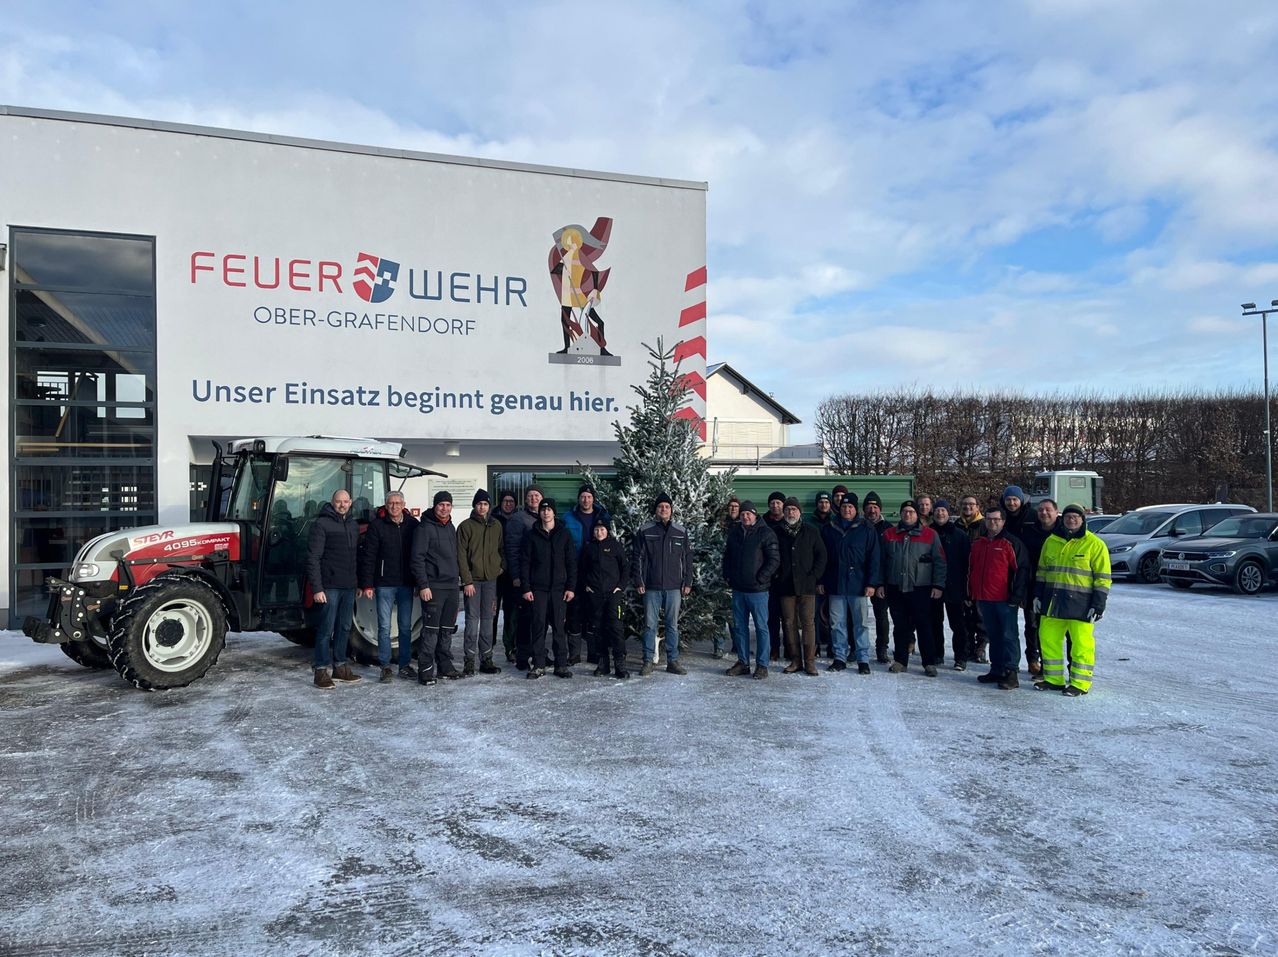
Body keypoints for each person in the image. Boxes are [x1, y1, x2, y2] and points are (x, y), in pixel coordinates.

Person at [1034, 504, 1111, 696]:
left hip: (1081, 604)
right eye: (1068, 517)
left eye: (1076, 517)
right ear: (1062, 518)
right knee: (1048, 640)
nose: (1072, 520)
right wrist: (1037, 595)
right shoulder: (1051, 541)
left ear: (1083, 520)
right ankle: (1053, 679)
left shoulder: (1095, 544)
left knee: (1082, 644)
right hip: (1052, 602)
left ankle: (1080, 683)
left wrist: (1098, 604)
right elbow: (1042, 571)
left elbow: (1103, 578)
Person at [878, 500, 947, 676]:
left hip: (921, 588)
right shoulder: (889, 534)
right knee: (900, 626)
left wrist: (938, 585)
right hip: (896, 587)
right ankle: (900, 660)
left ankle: (929, 662)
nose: (908, 514)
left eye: (911, 512)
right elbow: (880, 562)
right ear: (900, 514)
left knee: (925, 626)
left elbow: (940, 562)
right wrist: (879, 583)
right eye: (905, 511)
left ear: (917, 515)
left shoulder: (930, 535)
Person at [358, 490, 420, 683]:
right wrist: (367, 583)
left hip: (406, 584)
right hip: (384, 584)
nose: (394, 506)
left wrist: (418, 581)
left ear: (404, 504)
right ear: (386, 505)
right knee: (384, 627)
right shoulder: (377, 526)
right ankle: (385, 666)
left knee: (405, 627)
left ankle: (404, 665)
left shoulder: (413, 525)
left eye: (397, 503)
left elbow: (419, 555)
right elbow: (369, 556)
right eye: (390, 503)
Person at [967, 506, 1029, 689]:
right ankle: (997, 669)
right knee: (993, 635)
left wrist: (1016, 596)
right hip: (985, 598)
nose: (992, 522)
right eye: (989, 519)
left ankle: (1011, 672)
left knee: (1009, 635)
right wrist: (971, 592)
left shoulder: (1011, 543)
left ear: (1003, 521)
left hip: (1005, 600)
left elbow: (1022, 570)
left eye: (996, 519)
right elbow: (971, 570)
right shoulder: (979, 543)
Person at [307, 489, 362, 689]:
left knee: (344, 628)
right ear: (332, 502)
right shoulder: (322, 524)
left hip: (348, 586)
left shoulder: (352, 525)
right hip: (329, 587)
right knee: (325, 629)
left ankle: (340, 667)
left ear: (350, 503)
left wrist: (356, 583)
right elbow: (313, 558)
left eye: (346, 501)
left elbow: (354, 557)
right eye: (339, 501)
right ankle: (321, 670)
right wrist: (317, 588)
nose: (342, 505)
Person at [634, 492, 693, 676]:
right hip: (651, 586)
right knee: (650, 625)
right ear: (656, 510)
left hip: (674, 586)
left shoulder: (680, 532)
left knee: (672, 625)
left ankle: (672, 661)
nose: (664, 509)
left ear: (671, 510)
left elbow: (687, 559)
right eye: (660, 507)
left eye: (667, 507)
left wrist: (688, 581)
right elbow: (637, 557)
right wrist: (639, 580)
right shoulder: (645, 530)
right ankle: (647, 661)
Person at [820, 492, 880, 674]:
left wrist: (871, 583)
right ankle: (839, 657)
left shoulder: (866, 529)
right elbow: (822, 557)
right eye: (844, 506)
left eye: (851, 507)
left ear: (856, 509)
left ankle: (863, 659)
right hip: (836, 584)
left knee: (860, 623)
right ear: (840, 508)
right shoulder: (830, 528)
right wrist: (822, 580)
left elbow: (874, 558)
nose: (847, 509)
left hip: (858, 585)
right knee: (837, 623)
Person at [722, 500, 779, 679]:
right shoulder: (735, 533)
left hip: (758, 591)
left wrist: (760, 578)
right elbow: (727, 557)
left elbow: (774, 560)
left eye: (749, 513)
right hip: (738, 590)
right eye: (743, 514)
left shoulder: (766, 533)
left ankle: (762, 665)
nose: (745, 516)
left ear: (755, 515)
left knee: (762, 628)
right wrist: (728, 575)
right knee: (740, 628)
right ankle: (743, 662)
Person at [520, 499, 577, 678]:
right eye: (543, 510)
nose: (546, 513)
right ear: (540, 513)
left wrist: (571, 587)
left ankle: (561, 665)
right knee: (538, 626)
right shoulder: (531, 535)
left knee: (559, 628)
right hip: (538, 589)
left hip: (559, 590)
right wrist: (526, 587)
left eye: (549, 510)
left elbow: (571, 563)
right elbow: (525, 563)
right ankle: (538, 664)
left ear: (554, 513)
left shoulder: (564, 534)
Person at [411, 490, 463, 686]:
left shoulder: (450, 527)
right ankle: (425, 670)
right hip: (433, 587)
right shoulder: (424, 528)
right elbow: (417, 559)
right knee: (431, 631)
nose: (444, 508)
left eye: (448, 505)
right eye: (441, 505)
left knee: (447, 630)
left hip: (451, 586)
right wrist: (423, 585)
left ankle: (445, 666)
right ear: (435, 506)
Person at [773, 497, 827, 676]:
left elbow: (821, 556)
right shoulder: (777, 532)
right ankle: (795, 660)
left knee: (808, 623)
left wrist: (814, 577)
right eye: (788, 510)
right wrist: (777, 575)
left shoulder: (811, 531)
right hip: (785, 586)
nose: (790, 513)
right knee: (788, 623)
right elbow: (771, 556)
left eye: (794, 510)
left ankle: (809, 662)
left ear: (800, 512)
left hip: (807, 586)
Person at [457, 489, 504, 676]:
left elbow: (502, 548)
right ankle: (469, 660)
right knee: (471, 621)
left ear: (489, 506)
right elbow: (460, 555)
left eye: (485, 504)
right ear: (474, 505)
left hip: (491, 581)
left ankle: (487, 659)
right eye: (479, 504)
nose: (482, 507)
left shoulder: (496, 525)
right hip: (473, 582)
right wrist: (467, 580)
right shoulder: (465, 526)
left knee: (488, 620)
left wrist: (500, 567)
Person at [561, 484, 610, 664]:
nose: (586, 500)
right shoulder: (568, 517)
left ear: (593, 499)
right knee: (574, 612)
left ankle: (593, 653)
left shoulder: (603, 516)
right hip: (573, 571)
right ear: (578, 499)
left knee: (594, 614)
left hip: (596, 572)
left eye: (589, 497)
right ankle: (574, 654)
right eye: (583, 496)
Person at [580, 518, 630, 679]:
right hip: (595, 595)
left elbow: (625, 568)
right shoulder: (588, 548)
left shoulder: (615, 546)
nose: (599, 532)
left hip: (613, 594)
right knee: (598, 628)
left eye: (602, 529)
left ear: (607, 531)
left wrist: (620, 587)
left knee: (616, 627)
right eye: (596, 529)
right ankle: (603, 662)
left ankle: (619, 663)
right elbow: (581, 569)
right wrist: (586, 585)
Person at [1017, 498, 1061, 678]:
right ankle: (1033, 660)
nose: (1044, 513)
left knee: (1053, 629)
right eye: (1041, 510)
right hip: (1032, 585)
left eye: (1048, 510)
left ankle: (1050, 665)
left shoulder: (1063, 532)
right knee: (1032, 626)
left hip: (1057, 588)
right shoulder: (1029, 532)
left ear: (1056, 512)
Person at [1001, 484, 1040, 672]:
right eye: (1008, 500)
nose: (1011, 503)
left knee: (1032, 622)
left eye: (1014, 499)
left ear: (1021, 500)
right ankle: (1006, 660)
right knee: (1007, 621)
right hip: (1007, 576)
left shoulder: (1033, 517)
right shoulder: (1001, 518)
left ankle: (1033, 658)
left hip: (1030, 574)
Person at [504, 485, 543, 670]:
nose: (534, 498)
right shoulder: (518, 519)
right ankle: (522, 656)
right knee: (524, 619)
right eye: (530, 496)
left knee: (539, 619)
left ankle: (539, 654)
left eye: (537, 495)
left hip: (541, 579)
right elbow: (511, 549)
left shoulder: (546, 518)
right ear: (526, 500)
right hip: (524, 578)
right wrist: (516, 576)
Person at [929, 500, 971, 670]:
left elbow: (967, 563)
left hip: (955, 586)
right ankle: (937, 653)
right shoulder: (928, 533)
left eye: (943, 511)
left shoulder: (960, 535)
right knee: (934, 622)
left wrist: (967, 589)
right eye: (937, 510)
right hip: (932, 586)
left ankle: (961, 657)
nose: (940, 514)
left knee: (958, 624)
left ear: (948, 513)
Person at [956, 495, 988, 663]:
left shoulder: (984, 525)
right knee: (965, 616)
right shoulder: (957, 525)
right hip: (962, 575)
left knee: (981, 616)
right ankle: (967, 647)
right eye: (964, 504)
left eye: (971, 504)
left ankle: (981, 647)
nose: (967, 507)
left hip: (980, 575)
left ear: (977, 507)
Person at [862, 490, 892, 664]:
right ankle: (856, 646)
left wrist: (881, 583)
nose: (872, 510)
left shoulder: (888, 529)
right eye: (869, 507)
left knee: (881, 616)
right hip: (860, 579)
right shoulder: (859, 525)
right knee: (857, 616)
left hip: (880, 582)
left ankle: (882, 648)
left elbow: (889, 558)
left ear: (880, 509)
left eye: (875, 507)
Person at [493, 491, 520, 661]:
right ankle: (488, 647)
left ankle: (511, 647)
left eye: (511, 501)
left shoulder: (519, 519)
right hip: (495, 574)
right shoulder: (492, 520)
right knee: (492, 612)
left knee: (511, 613)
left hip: (512, 575)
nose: (508, 504)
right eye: (505, 501)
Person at [763, 491, 787, 660]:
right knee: (771, 616)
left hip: (786, 577)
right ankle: (774, 648)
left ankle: (790, 648)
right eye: (772, 503)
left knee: (788, 617)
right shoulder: (762, 523)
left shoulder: (790, 523)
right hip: (768, 578)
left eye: (778, 503)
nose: (775, 506)